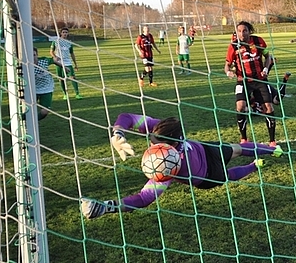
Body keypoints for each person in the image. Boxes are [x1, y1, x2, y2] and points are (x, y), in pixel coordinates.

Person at [79, 113, 283, 219]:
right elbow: (127, 118)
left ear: (175, 142)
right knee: (228, 175)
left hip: (204, 149)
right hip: (206, 175)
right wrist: (118, 133)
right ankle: (254, 166)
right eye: (152, 139)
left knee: (237, 148)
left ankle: (272, 149)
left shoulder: (168, 154)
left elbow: (144, 197)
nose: (152, 143)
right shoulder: (166, 149)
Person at [224, 21, 278, 145]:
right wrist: (229, 73)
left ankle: (272, 141)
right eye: (239, 31)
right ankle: (244, 139)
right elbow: (226, 66)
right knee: (240, 106)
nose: (242, 33)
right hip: (242, 81)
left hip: (260, 80)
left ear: (249, 31)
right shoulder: (233, 46)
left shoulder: (258, 41)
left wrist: (265, 69)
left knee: (268, 107)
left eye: (245, 31)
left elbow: (268, 56)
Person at [32, 47, 64, 120]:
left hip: (47, 88)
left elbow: (53, 61)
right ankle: (21, 119)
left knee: (44, 112)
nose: (33, 57)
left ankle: (31, 120)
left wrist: (64, 67)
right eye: (30, 55)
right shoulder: (26, 65)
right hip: (34, 89)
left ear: (37, 55)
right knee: (29, 107)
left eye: (34, 55)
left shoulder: (44, 61)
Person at [49, 27, 81, 99]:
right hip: (59, 62)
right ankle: (65, 94)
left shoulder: (69, 43)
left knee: (72, 77)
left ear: (68, 33)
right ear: (60, 33)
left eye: (66, 32)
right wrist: (55, 57)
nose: (65, 34)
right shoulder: (56, 41)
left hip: (67, 62)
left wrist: (75, 64)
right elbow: (51, 51)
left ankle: (77, 94)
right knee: (61, 78)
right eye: (63, 32)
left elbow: (72, 54)